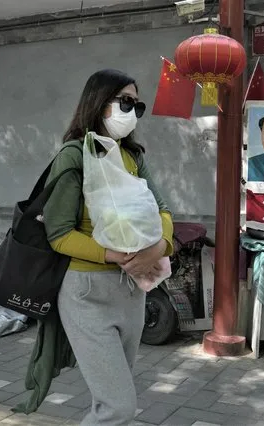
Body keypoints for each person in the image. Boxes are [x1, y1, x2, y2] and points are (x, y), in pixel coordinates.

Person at [37, 69, 174, 425]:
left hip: (132, 291)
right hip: (87, 294)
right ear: (99, 102)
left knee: (114, 399)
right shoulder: (73, 156)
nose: (132, 111)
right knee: (118, 407)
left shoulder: (133, 158)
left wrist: (158, 248)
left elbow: (163, 210)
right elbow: (59, 234)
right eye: (125, 101)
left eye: (137, 105)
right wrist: (116, 256)